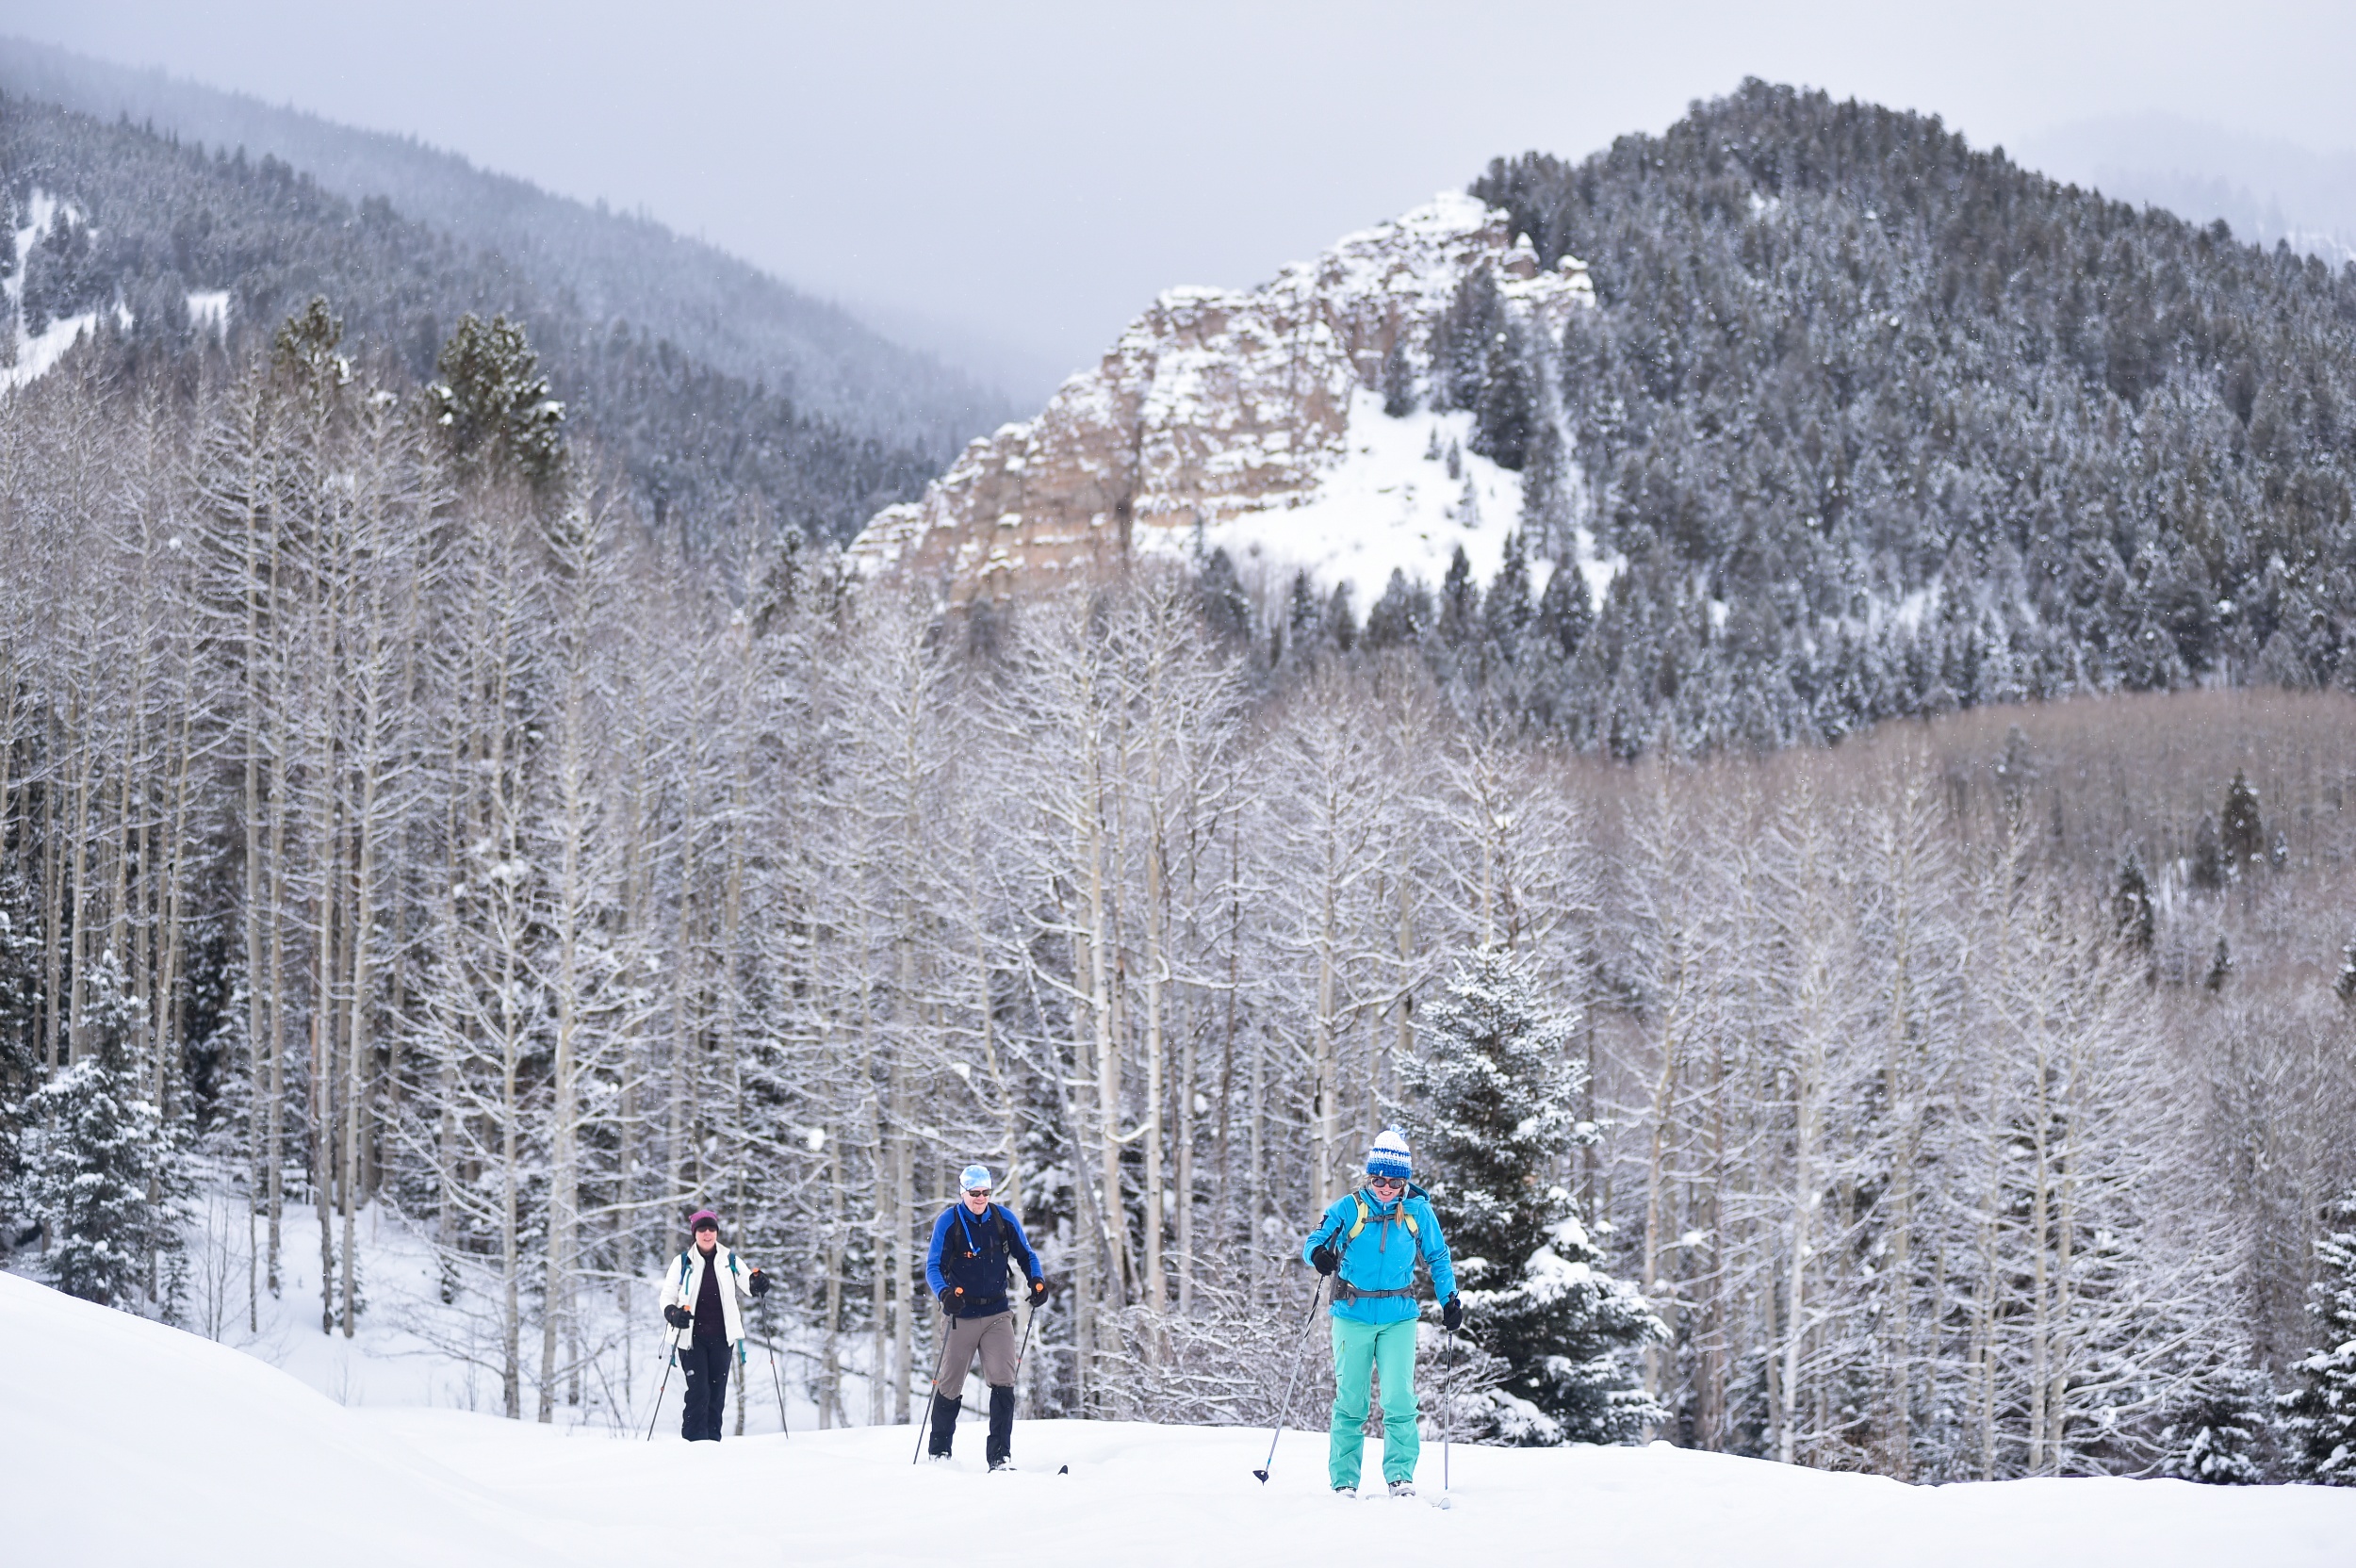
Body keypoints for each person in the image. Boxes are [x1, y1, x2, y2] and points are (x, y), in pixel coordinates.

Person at [1301, 1129, 1461, 1497]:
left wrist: (1449, 1299)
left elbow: (1437, 1257)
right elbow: (1313, 1241)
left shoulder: (1418, 1212)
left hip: (1398, 1316)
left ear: (1405, 1180)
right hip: (1352, 1314)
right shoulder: (1349, 1208)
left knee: (1400, 1400)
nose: (1385, 1187)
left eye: (1394, 1180)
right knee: (1351, 1401)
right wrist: (1318, 1256)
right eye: (1378, 1179)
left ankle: (1401, 1477)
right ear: (1369, 1176)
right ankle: (1344, 1481)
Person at [922, 1163, 1047, 1470]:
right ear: (963, 1192)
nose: (980, 1198)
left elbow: (1026, 1255)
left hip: (996, 1314)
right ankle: (939, 1455)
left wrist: (1037, 1281)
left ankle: (999, 1458)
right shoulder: (948, 1223)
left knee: (1004, 1382)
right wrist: (944, 1294)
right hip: (959, 1315)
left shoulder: (1003, 1219)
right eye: (975, 1193)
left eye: (986, 1192)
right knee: (950, 1385)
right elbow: (932, 1268)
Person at [660, 1209, 770, 1442]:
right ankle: (693, 1443)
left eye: (711, 1229)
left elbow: (748, 1284)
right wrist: (673, 1313)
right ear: (695, 1234)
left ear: (717, 1232)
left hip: (722, 1338)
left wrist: (758, 1282)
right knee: (699, 1392)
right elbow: (667, 1296)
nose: (707, 1233)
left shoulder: (729, 1260)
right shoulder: (682, 1262)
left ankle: (712, 1444)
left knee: (716, 1393)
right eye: (702, 1229)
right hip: (691, 1339)